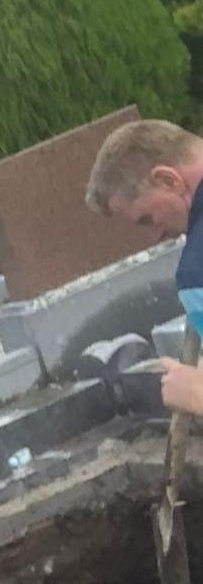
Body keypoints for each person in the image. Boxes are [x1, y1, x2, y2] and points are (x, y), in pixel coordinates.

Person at [86, 118, 203, 416]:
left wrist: (197, 394)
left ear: (168, 180)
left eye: (147, 219)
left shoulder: (196, 272)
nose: (155, 237)